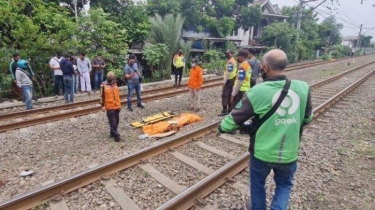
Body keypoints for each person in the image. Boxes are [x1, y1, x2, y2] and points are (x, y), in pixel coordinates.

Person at [217, 49, 313, 210]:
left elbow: (233, 119)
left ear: (266, 67)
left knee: (257, 186)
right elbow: (308, 118)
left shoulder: (258, 91)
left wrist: (221, 128)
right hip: (289, 153)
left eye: (262, 66)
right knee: (284, 185)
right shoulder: (303, 88)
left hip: (262, 153)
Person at [101, 71, 122, 142]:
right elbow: (101, 96)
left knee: (117, 121)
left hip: (116, 106)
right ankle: (116, 136)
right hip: (109, 107)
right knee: (113, 122)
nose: (111, 78)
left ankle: (112, 133)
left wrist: (119, 105)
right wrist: (103, 105)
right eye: (110, 77)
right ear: (107, 77)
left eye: (112, 77)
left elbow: (117, 95)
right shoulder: (103, 85)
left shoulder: (115, 84)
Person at [218, 50, 238, 116]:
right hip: (232, 79)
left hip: (229, 80)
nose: (227, 55)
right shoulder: (233, 61)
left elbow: (228, 73)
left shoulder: (230, 62)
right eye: (226, 53)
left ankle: (224, 110)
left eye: (228, 53)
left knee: (225, 95)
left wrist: (224, 82)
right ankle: (230, 109)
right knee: (230, 94)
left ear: (232, 54)